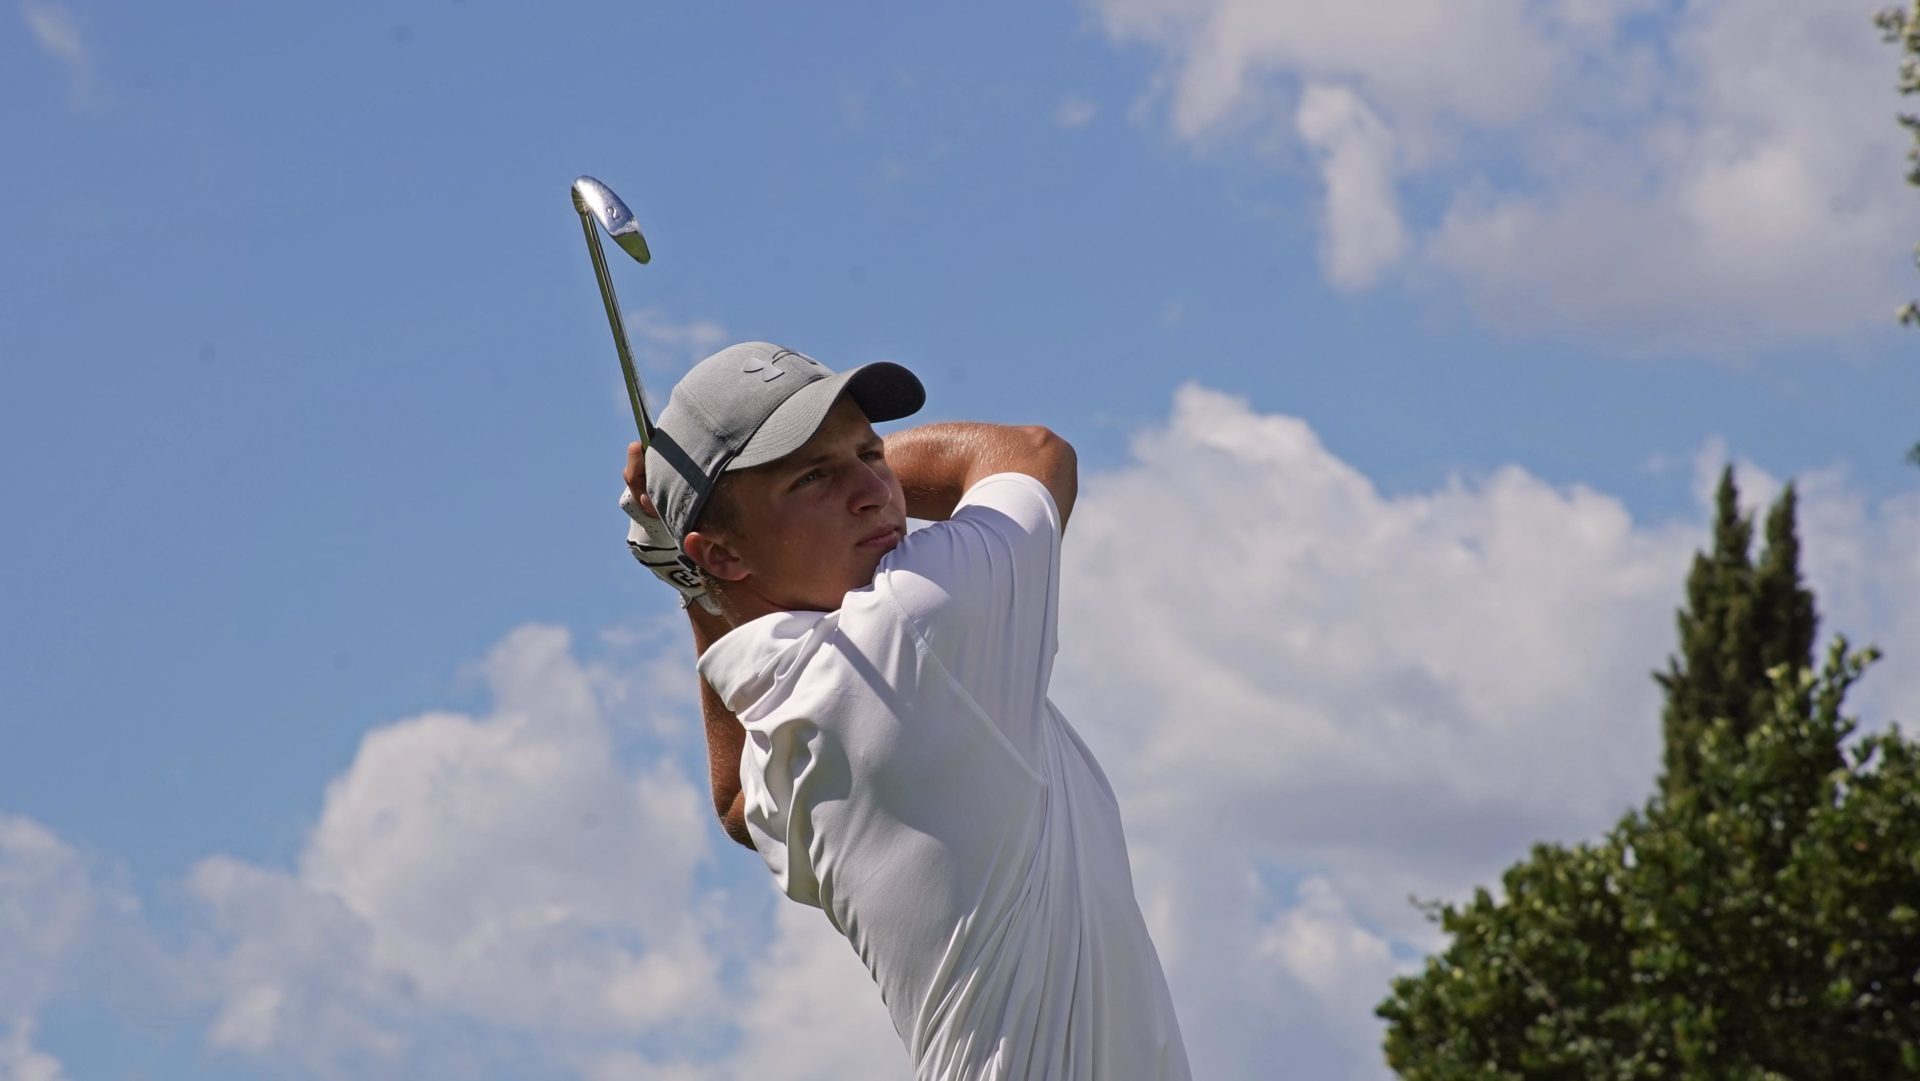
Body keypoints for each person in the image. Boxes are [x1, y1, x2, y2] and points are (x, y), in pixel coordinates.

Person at [620, 341, 1190, 1079]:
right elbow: (1032, 451)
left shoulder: (786, 699)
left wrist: (699, 589)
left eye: (872, 452)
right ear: (726, 554)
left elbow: (736, 803)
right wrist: (698, 568)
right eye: (813, 476)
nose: (874, 491)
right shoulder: (913, 622)